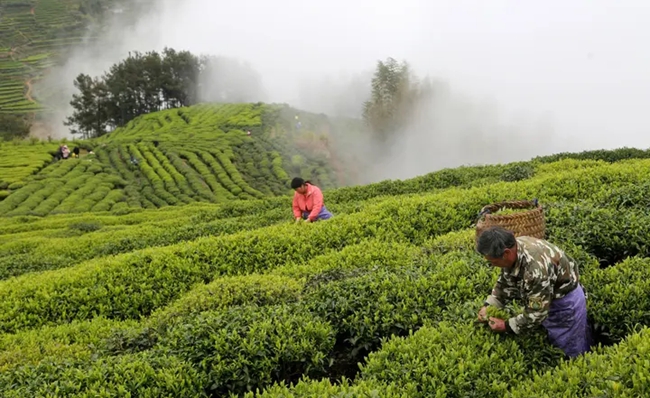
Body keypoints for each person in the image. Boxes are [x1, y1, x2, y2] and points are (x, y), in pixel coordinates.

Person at [476, 226, 592, 358]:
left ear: (506, 253)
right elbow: (505, 281)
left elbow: (536, 314)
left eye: (493, 262)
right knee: (554, 342)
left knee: (569, 350)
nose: (492, 265)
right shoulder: (514, 248)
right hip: (548, 296)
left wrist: (506, 325)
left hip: (564, 303)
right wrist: (489, 305)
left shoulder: (535, 270)